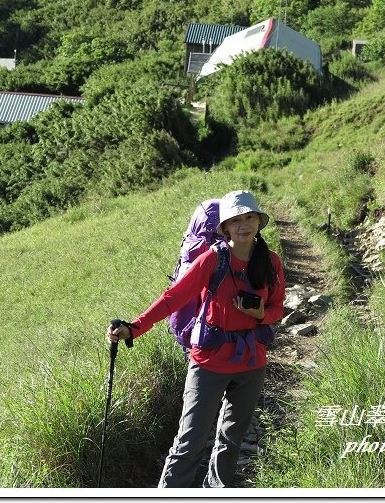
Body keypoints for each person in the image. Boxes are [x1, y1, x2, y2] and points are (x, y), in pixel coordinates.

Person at [106, 190, 286, 488]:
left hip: (252, 363)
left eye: (249, 217)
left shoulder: (270, 262)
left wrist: (259, 315)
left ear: (258, 221)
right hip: (209, 364)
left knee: (231, 442)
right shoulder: (212, 260)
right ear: (225, 227)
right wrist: (134, 327)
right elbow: (173, 298)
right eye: (236, 220)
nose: (244, 225)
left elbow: (277, 306)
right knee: (189, 443)